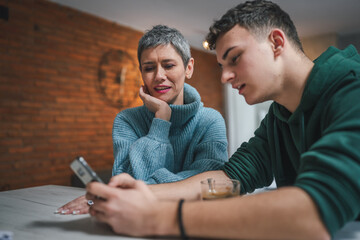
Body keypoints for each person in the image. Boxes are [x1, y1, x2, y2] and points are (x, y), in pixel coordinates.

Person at [85, 0, 360, 239]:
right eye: (222, 66)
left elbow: (313, 214)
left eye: (235, 58)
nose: (224, 77)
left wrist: (157, 215)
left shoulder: (352, 89)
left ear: (276, 43)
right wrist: (133, 195)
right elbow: (230, 177)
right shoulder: (279, 116)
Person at [56, 25, 228, 215]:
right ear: (141, 72)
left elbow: (208, 184)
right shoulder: (126, 120)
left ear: (188, 68)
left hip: (195, 220)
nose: (159, 76)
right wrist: (161, 122)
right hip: (134, 221)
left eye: (169, 65)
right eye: (149, 68)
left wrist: (143, 186)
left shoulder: (210, 121)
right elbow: (126, 180)